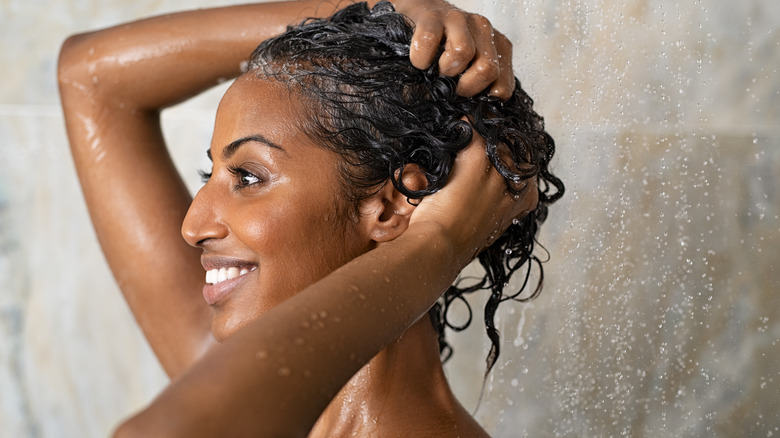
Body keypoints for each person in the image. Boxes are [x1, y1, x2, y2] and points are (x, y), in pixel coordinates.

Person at [57, 0, 563, 436]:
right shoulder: (236, 388)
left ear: (388, 207)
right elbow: (90, 78)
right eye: (209, 172)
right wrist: (377, 13)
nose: (192, 227)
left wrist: (438, 243)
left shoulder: (225, 406)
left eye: (248, 177)